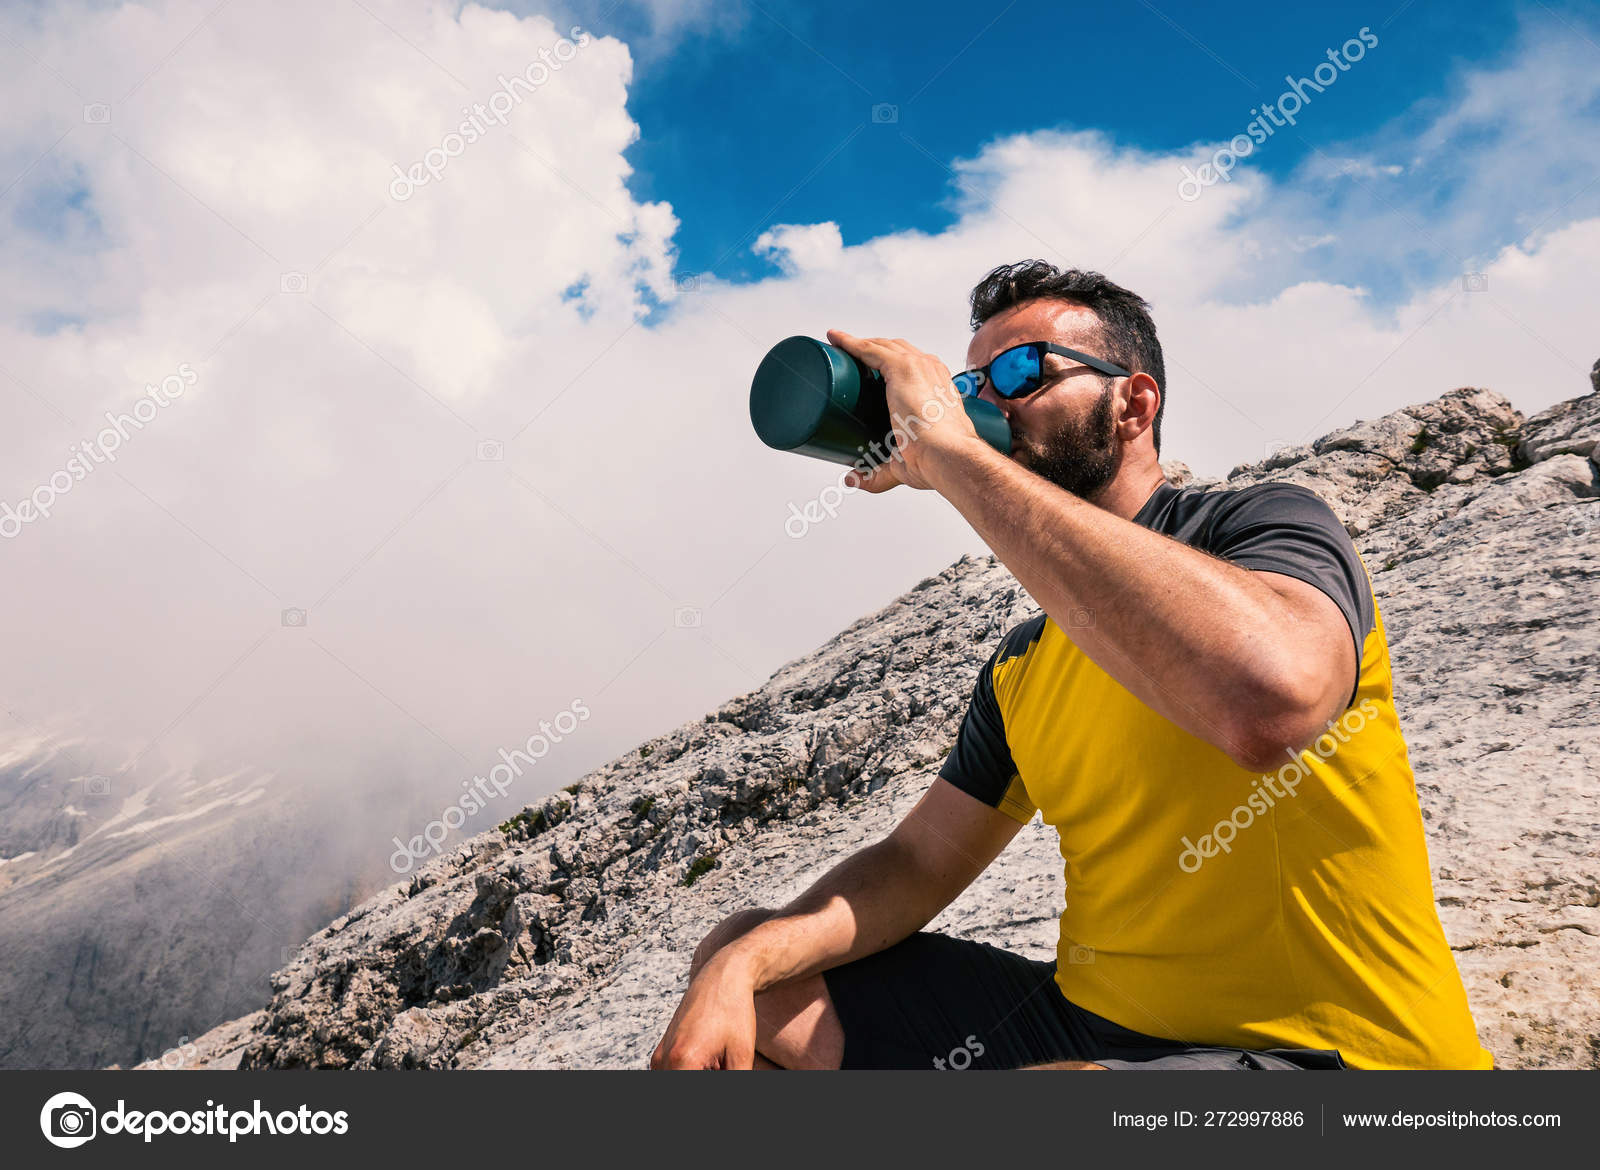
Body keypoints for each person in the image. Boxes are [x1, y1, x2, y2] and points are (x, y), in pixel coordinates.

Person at [651, 261, 1490, 1070]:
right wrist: (742, 964)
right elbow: (918, 864)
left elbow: (1268, 705)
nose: (989, 404)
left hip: (1331, 1060)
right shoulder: (1024, 662)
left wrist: (951, 454)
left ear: (1134, 403)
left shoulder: (1261, 529)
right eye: (971, 386)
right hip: (1095, 1031)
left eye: (1022, 371)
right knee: (754, 971)